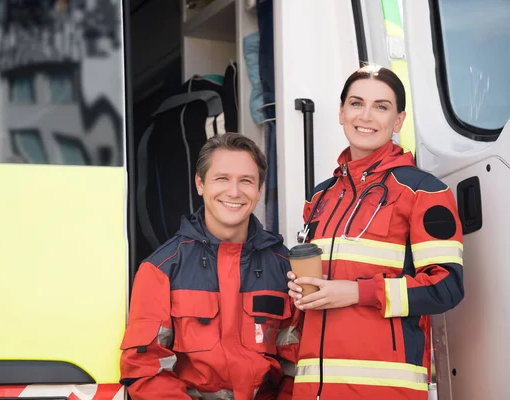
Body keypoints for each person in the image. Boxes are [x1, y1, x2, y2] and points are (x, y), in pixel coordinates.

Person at [288, 65, 464, 400]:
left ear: (398, 121)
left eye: (381, 106)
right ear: (342, 113)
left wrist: (356, 293)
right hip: (313, 391)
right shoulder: (320, 197)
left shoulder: (423, 192)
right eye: (356, 103)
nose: (366, 115)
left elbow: (447, 287)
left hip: (385, 392)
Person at [120, 132, 301, 399]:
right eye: (222, 179)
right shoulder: (161, 269)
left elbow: (299, 366)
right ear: (200, 184)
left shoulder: (286, 269)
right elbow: (145, 369)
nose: (234, 192)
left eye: (246, 181)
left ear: (259, 190)